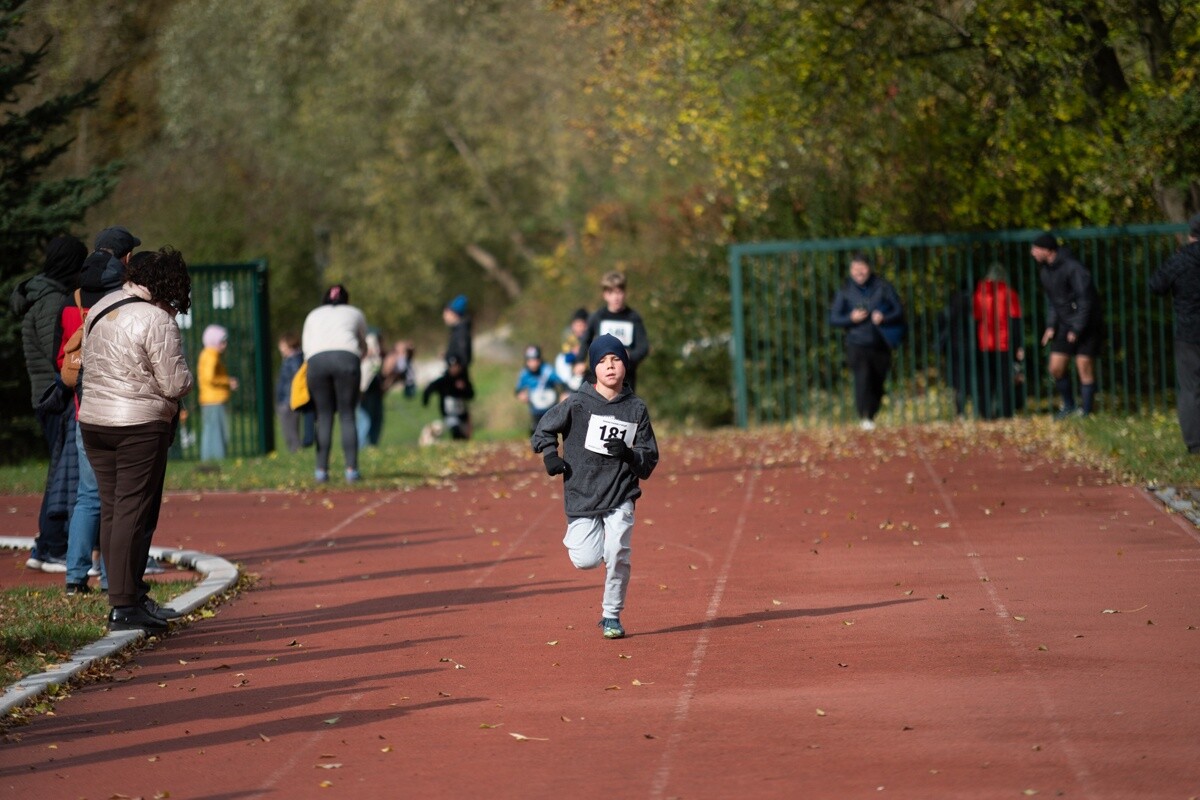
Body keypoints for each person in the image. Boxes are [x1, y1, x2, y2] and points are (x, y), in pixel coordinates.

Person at [79, 247, 193, 632]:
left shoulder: (102, 306)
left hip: (94, 421)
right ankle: (125, 604)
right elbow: (175, 383)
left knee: (113, 510)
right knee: (133, 510)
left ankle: (126, 595)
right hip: (138, 424)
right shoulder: (157, 319)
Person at [531, 333, 659, 640]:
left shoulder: (636, 409)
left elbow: (649, 459)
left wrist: (629, 454)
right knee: (586, 559)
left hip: (620, 493)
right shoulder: (577, 402)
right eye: (602, 361)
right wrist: (551, 455)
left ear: (625, 365)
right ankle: (598, 545)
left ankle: (611, 615)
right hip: (583, 493)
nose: (610, 366)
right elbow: (543, 429)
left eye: (616, 359)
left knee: (618, 552)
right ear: (594, 369)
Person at [55, 237, 134, 595]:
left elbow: (64, 362)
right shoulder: (121, 311)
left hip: (82, 409)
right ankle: (109, 577)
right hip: (116, 411)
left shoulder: (72, 308)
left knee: (87, 495)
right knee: (115, 496)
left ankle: (75, 576)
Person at [10, 233, 89, 573]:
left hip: (44, 395)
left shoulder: (39, 297)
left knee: (60, 469)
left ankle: (48, 544)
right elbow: (62, 356)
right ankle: (53, 544)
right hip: (56, 397)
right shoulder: (53, 303)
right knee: (65, 473)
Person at [828, 252, 904, 430]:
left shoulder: (883, 287)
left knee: (877, 380)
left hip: (880, 341)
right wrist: (851, 318)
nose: (859, 272)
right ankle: (864, 415)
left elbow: (899, 310)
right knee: (862, 378)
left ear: (869, 268)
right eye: (855, 268)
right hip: (857, 342)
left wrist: (884, 317)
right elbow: (833, 318)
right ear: (850, 270)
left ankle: (871, 414)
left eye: (862, 267)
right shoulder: (845, 291)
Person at [1031, 232, 1103, 418]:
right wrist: (1050, 326)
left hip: (1086, 325)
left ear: (1048, 250)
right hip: (1064, 325)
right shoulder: (1046, 272)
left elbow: (1086, 299)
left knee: (1084, 366)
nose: (1032, 253)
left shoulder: (1073, 268)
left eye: (1036, 249)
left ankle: (1086, 412)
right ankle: (1069, 406)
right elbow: (1054, 302)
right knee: (1056, 367)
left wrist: (1077, 328)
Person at [302, 284, 368, 483]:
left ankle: (321, 470)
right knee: (347, 415)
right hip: (347, 359)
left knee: (324, 415)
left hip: (317, 362)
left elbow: (307, 348)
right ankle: (351, 470)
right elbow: (363, 343)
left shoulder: (313, 315)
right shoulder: (355, 313)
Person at [1149, 213, 1200, 454]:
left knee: (1190, 388)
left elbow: (1156, 285)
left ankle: (1195, 444)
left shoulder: (1181, 260)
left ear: (1191, 234)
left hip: (1189, 332)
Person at [578, 272, 650, 391]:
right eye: (611, 293)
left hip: (626, 378)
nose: (616, 297)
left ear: (624, 293)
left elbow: (643, 347)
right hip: (600, 377)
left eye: (619, 292)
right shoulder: (598, 317)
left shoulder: (633, 318)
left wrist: (629, 355)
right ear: (605, 295)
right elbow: (586, 341)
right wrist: (580, 361)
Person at [973, 264, 1025, 420]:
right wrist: (1018, 345)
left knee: (986, 379)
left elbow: (976, 319)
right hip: (1004, 342)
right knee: (1004, 380)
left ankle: (985, 412)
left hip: (983, 342)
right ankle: (1006, 412)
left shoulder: (979, 293)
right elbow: (1015, 321)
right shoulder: (1008, 293)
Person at [197, 324, 238, 461]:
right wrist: (228, 381)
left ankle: (208, 458)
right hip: (214, 399)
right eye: (222, 341)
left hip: (209, 399)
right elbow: (210, 378)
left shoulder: (207, 354)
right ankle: (218, 458)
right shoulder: (211, 355)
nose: (225, 345)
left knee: (210, 431)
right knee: (218, 432)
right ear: (214, 341)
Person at [937, 281, 976, 418]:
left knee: (959, 382)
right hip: (971, 346)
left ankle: (960, 411)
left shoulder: (953, 302)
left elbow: (941, 319)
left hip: (955, 347)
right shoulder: (973, 301)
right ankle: (977, 410)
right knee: (972, 378)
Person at [515, 344, 567, 434]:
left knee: (550, 430)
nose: (533, 363)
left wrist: (564, 393)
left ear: (539, 360)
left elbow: (561, 383)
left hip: (550, 408)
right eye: (530, 360)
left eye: (535, 360)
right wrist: (521, 395)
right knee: (535, 431)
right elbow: (518, 390)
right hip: (535, 408)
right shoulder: (524, 374)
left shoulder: (547, 370)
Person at [422, 356, 475, 440]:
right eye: (452, 366)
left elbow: (471, 395)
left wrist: (464, 389)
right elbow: (429, 389)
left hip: (462, 414)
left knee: (465, 436)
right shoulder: (443, 381)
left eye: (456, 366)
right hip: (449, 414)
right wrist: (425, 401)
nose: (454, 369)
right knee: (456, 431)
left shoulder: (463, 379)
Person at [275, 332, 305, 453]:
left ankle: (295, 451)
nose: (280, 348)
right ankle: (294, 450)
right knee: (288, 429)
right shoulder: (291, 360)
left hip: (289, 400)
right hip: (286, 399)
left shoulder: (294, 361)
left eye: (282, 345)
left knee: (290, 430)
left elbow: (296, 379)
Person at [356, 327, 385, 447]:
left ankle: (372, 445)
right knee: (365, 419)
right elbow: (365, 372)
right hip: (365, 390)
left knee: (376, 418)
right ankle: (362, 446)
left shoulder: (375, 356)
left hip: (374, 388)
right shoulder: (369, 348)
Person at [555, 307, 589, 391]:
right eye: (576, 325)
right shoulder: (570, 339)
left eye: (581, 325)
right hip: (574, 373)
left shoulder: (591, 338)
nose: (579, 328)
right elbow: (567, 358)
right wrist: (574, 353)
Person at [443, 294, 473, 371]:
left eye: (447, 312)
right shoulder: (458, 329)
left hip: (458, 377)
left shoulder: (461, 331)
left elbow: (463, 356)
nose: (444, 316)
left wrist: (457, 368)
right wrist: (447, 355)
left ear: (454, 314)